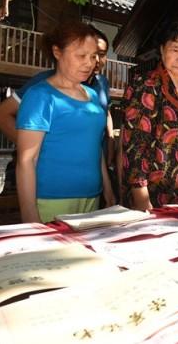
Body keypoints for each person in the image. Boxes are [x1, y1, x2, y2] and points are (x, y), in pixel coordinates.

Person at [16, 22, 115, 223]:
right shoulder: (40, 96)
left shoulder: (93, 95)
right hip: (51, 200)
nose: (90, 63)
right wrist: (30, 217)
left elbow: (95, 149)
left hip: (92, 197)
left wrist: (109, 192)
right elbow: (26, 160)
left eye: (94, 55)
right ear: (57, 52)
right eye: (81, 56)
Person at [123, 18, 178, 209]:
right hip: (157, 193)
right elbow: (135, 146)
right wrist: (141, 198)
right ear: (162, 49)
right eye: (175, 50)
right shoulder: (147, 84)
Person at [0, 24, 114, 149]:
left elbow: (105, 111)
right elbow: (1, 114)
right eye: (83, 54)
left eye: (101, 54)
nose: (96, 60)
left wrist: (110, 139)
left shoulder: (102, 83)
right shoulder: (44, 83)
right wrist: (36, 150)